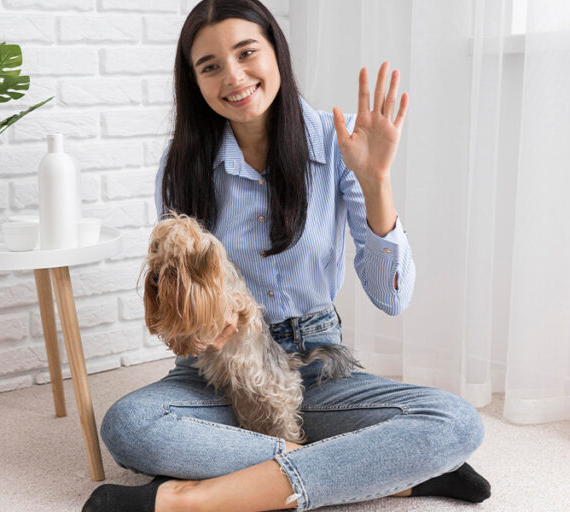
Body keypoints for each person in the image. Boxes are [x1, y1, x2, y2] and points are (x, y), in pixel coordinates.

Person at [82, 1, 491, 511]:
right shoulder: (181, 162)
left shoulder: (336, 142)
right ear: (195, 81)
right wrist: (202, 328)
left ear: (276, 50)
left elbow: (393, 299)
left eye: (246, 52)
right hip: (216, 371)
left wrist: (377, 180)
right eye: (210, 66)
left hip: (315, 365)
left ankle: (188, 500)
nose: (233, 77)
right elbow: (179, 300)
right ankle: (386, 475)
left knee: (456, 422)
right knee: (129, 425)